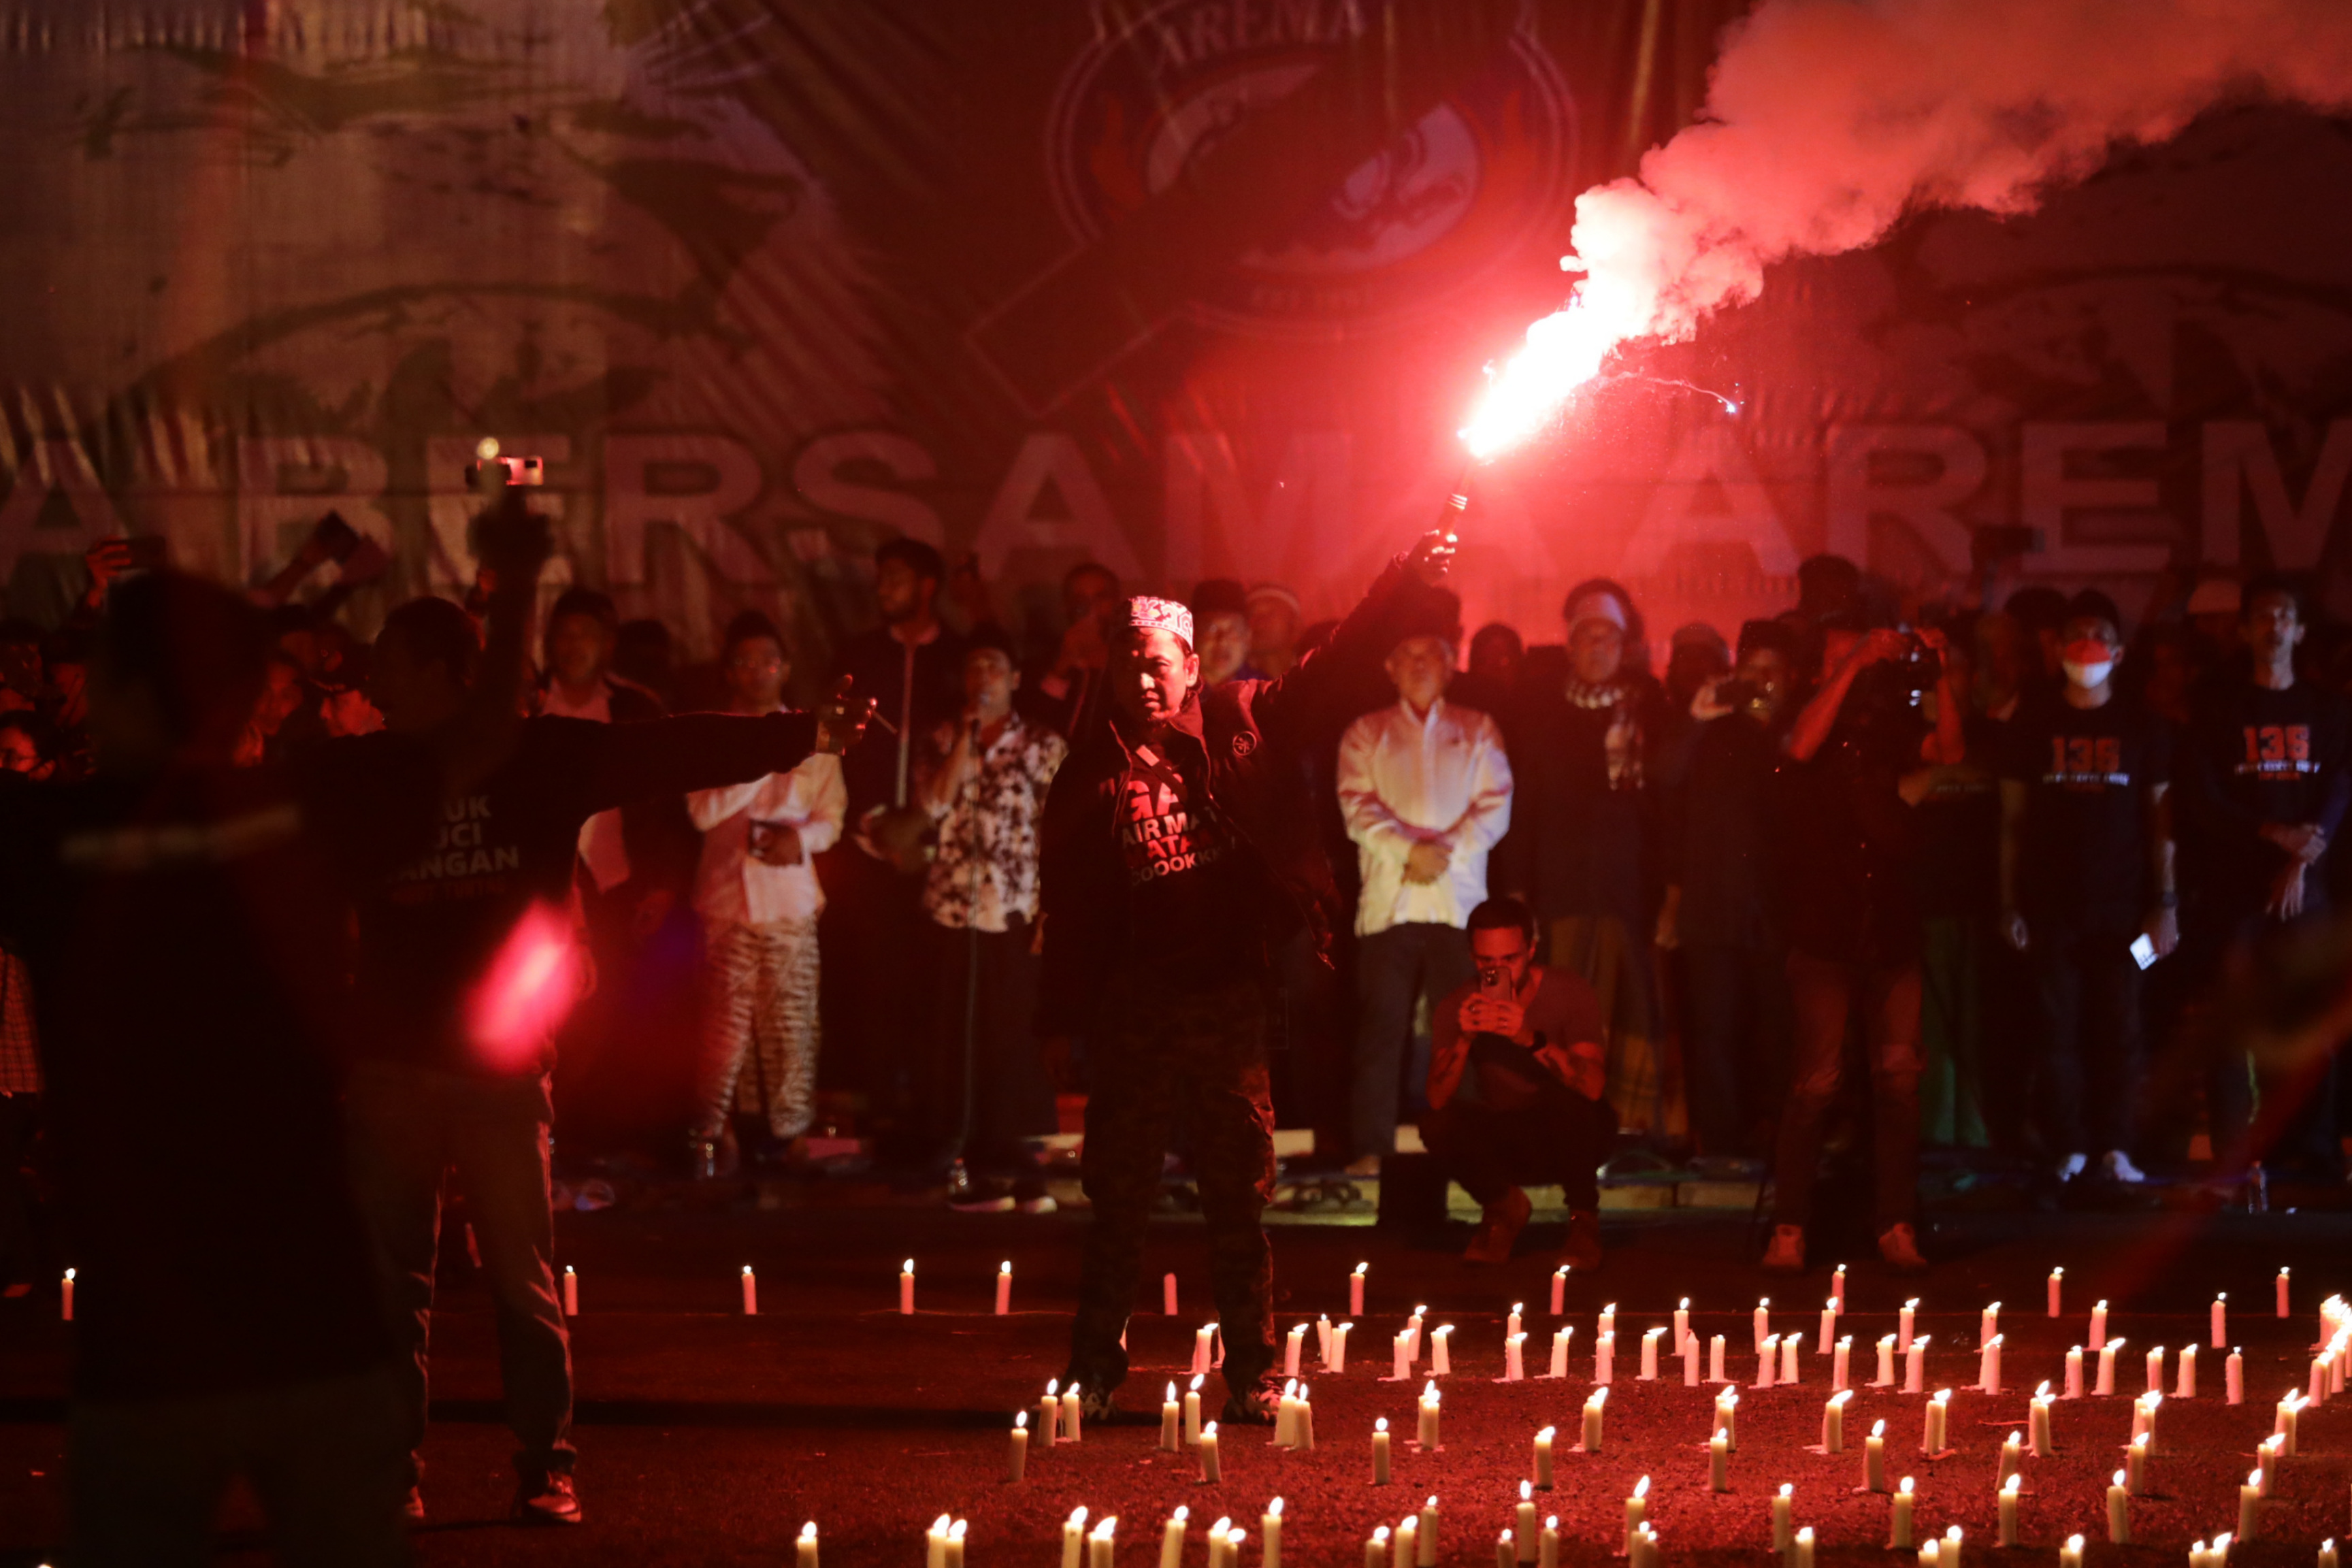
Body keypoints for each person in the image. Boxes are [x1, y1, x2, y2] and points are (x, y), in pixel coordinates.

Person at [7, 497, 546, 1568]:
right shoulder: (304, 813)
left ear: (110, 693)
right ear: (243, 697)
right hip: (316, 1321)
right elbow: (486, 734)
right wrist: (519, 581)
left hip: (147, 1345)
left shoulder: (47, 840)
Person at [350, 587, 867, 1526]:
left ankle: (547, 1466)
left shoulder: (537, 756)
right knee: (393, 1283)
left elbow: (669, 747)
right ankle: (392, 1475)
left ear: (436, 671)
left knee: (519, 1275)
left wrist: (797, 734)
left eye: (385, 655)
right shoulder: (365, 772)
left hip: (499, 1070)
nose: (368, 675)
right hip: (390, 1065)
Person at [1041, 532, 1456, 1424]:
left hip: (1227, 997)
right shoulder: (1088, 771)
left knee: (1238, 1196)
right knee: (1119, 1195)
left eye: (1157, 665)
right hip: (1136, 1005)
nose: (1144, 682)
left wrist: (1404, 573)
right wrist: (1072, 1016)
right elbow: (1067, 901)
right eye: (1127, 668)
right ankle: (1093, 1368)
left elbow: (1336, 660)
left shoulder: (1247, 720)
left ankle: (1256, 1373)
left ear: (1191, 666)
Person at [1761, 612, 1965, 1275]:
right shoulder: (1807, 714)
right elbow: (1799, 747)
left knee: (1899, 1079)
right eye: (1843, 653)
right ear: (1820, 664)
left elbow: (1950, 750)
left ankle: (1896, 1226)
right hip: (1823, 927)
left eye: (1865, 654)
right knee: (1816, 1082)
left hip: (1890, 925)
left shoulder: (1887, 726)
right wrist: (1850, 667)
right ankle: (1789, 1227)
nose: (1861, 660)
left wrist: (1943, 673)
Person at [2174, 574, 2350, 1178]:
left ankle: (2315, 1153)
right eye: (2263, 615)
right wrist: (2275, 839)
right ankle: (2235, 1157)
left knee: (2309, 1029)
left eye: (2285, 616)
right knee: (2233, 1027)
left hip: (2310, 888)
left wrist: (2302, 858)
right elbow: (2206, 799)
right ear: (2246, 629)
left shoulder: (2327, 710)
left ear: (2300, 631)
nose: (2273, 625)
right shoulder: (2219, 707)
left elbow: (2339, 789)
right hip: (2235, 891)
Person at [1996, 593, 2176, 1184]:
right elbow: (2012, 821)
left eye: (2099, 634)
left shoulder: (2143, 727)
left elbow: (2161, 826)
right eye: (2076, 634)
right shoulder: (2034, 722)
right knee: (2057, 1031)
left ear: (2119, 653)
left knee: (2122, 1029)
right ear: (2059, 649)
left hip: (2125, 913)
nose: (2086, 645)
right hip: (2051, 909)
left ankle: (2116, 1149)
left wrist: (2165, 907)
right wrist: (2009, 902)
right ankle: (2069, 1146)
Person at [1336, 623, 1513, 1175]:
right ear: (1389, 667)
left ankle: (1465, 1147)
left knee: (1462, 1032)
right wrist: (1408, 850)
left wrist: (1443, 850)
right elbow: (1356, 806)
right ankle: (1372, 1147)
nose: (1417, 664)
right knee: (1381, 1030)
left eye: (1429, 655)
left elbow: (1496, 804)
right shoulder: (1366, 732)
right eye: (1405, 654)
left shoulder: (1477, 727)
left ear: (1449, 665)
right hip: (1391, 902)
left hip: (1456, 904)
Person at [1496, 581, 1671, 1132]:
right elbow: (1522, 811)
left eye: (1608, 638)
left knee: (1629, 1014)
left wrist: (1669, 894)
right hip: (1562, 891)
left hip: (1626, 895)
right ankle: (1563, 1127)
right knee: (1564, 1013)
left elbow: (1665, 816)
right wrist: (1519, 893)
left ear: (1624, 648)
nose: (1597, 647)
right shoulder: (1543, 719)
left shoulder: (1649, 715)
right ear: (1571, 646)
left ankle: (1628, 1131)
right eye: (1587, 637)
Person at [685, 612, 847, 1175]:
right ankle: (713, 1135)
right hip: (727, 904)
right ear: (730, 672)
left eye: (769, 662)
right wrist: (763, 759)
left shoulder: (815, 738)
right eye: (746, 663)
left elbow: (833, 819)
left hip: (790, 905)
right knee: (722, 1032)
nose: (758, 673)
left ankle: (793, 1141)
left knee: (791, 1024)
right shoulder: (711, 733)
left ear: (787, 668)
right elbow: (701, 811)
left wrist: (797, 840)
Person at [917, 627, 1067, 1206]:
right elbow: (931, 805)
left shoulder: (1045, 747)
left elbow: (1061, 836)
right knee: (956, 1032)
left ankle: (1020, 1158)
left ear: (1015, 679)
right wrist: (966, 740)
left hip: (1015, 908)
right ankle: (967, 1156)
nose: (984, 677)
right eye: (975, 666)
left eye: (995, 666)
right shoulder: (941, 737)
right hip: (953, 909)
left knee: (1014, 1034)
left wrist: (1053, 911)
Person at [828, 537, 968, 1147]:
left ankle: (933, 1121)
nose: (884, 588)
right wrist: (876, 826)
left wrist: (926, 833)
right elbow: (841, 748)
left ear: (928, 586)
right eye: (880, 577)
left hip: (939, 856)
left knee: (934, 987)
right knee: (875, 984)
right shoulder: (860, 654)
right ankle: (880, 1116)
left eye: (897, 577)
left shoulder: (960, 658)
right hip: (871, 849)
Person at [1656, 619, 1797, 1165]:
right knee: (1714, 1031)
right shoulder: (1710, 731)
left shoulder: (1803, 732)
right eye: (1751, 670)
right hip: (1714, 908)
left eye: (1772, 671)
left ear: (1791, 677)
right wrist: (1695, 720)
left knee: (1780, 1032)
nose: (1761, 681)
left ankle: (1786, 1137)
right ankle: (1719, 1143)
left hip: (1781, 911)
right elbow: (1663, 774)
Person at [1422, 896, 1614, 1267]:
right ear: (1472, 957)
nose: (1497, 971)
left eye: (1510, 959)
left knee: (1569, 1101)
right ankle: (1504, 1208)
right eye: (1486, 962)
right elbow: (1436, 1098)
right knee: (1437, 1123)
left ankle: (1584, 1221)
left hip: (1572, 1131)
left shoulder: (1567, 990)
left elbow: (1592, 1086)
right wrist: (1464, 1040)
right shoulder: (1459, 1003)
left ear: (1531, 950)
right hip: (1512, 1133)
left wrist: (1531, 1039)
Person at [1022, 561, 1122, 740]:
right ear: (1066, 606)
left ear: (1116, 603)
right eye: (1081, 601)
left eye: (1100, 598)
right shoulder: (1041, 661)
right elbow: (1031, 729)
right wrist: (1063, 665)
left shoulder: (1130, 663)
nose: (1092, 609)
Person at [1191, 578, 1259, 687]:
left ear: (1248, 638)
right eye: (1211, 629)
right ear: (1193, 635)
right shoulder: (1175, 690)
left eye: (1232, 630)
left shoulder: (1264, 693)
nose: (1222, 641)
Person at [1245, 581, 1304, 680]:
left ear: (1295, 624)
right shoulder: (1229, 684)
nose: (1260, 622)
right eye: (1251, 615)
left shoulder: (1318, 674)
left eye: (1270, 614)